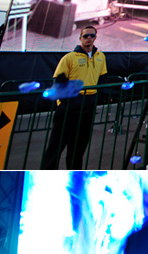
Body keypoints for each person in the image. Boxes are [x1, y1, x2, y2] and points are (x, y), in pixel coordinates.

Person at [40, 26, 108, 169]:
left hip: (88, 107)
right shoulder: (69, 58)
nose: (88, 38)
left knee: (79, 147)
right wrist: (67, 101)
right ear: (80, 38)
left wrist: (98, 97)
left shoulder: (101, 57)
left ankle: (75, 174)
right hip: (69, 108)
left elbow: (102, 78)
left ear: (95, 37)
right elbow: (58, 81)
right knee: (56, 146)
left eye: (91, 36)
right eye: (85, 36)